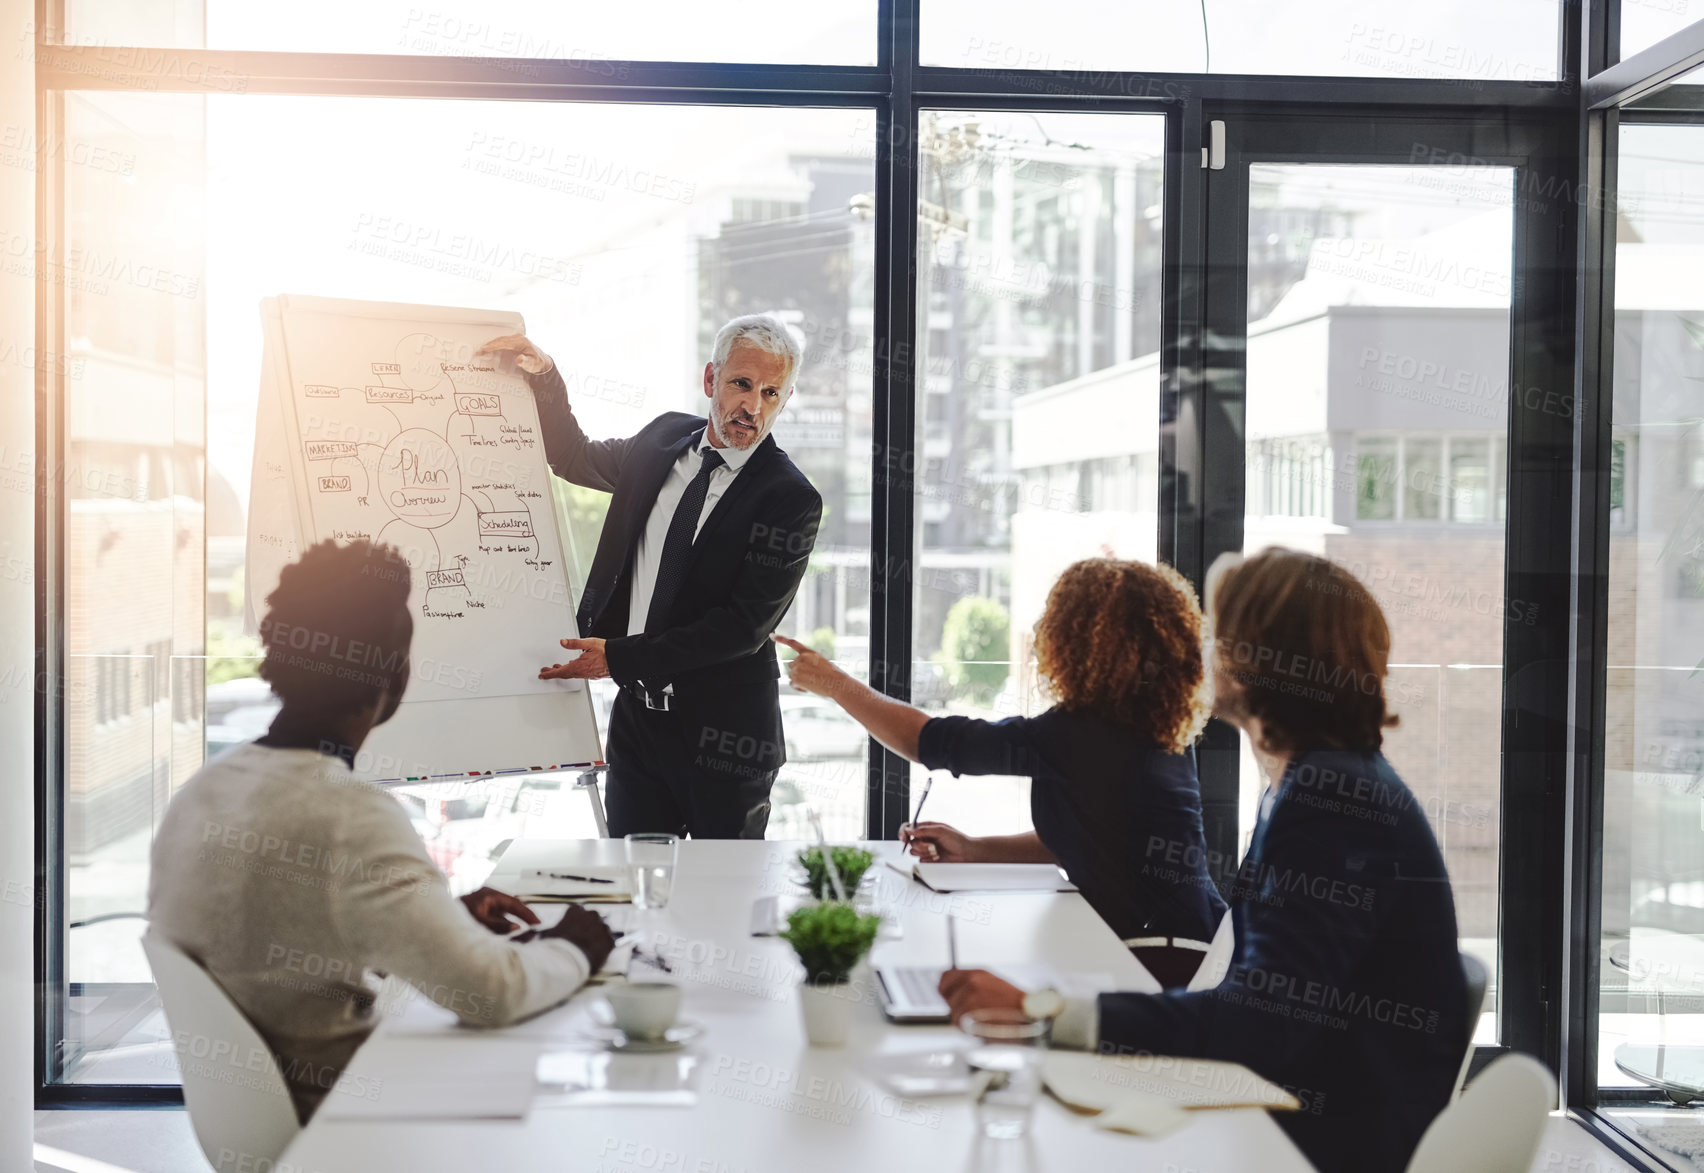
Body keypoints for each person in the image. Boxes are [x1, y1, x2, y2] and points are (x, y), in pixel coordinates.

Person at [937, 548, 1467, 1173]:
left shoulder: (1329, 799)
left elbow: (1260, 1028)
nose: (1206, 650)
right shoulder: (1324, 780)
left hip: (1311, 1140)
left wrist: (1043, 1010)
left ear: (1259, 661)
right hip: (1291, 1105)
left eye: (1222, 634)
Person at [148, 540, 615, 1123]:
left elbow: (282, 936)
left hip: (259, 1121)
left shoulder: (204, 791)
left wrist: (442, 922)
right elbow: (493, 994)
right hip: (351, 1123)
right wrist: (576, 944)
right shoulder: (349, 815)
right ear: (395, 676)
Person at [777, 558, 1227, 988]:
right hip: (1183, 943)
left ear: (1081, 642)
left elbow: (929, 742)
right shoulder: (1152, 726)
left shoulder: (1081, 734)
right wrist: (974, 849)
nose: (1038, 632)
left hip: (1164, 956)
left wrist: (833, 683)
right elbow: (1088, 839)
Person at [477, 314, 821, 840]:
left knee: (717, 904)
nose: (753, 406)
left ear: (786, 399)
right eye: (742, 384)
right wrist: (545, 377)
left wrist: (617, 656)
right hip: (637, 726)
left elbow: (741, 628)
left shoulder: (790, 499)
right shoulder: (662, 441)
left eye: (772, 393)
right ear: (711, 380)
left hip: (726, 742)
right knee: (634, 890)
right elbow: (572, 456)